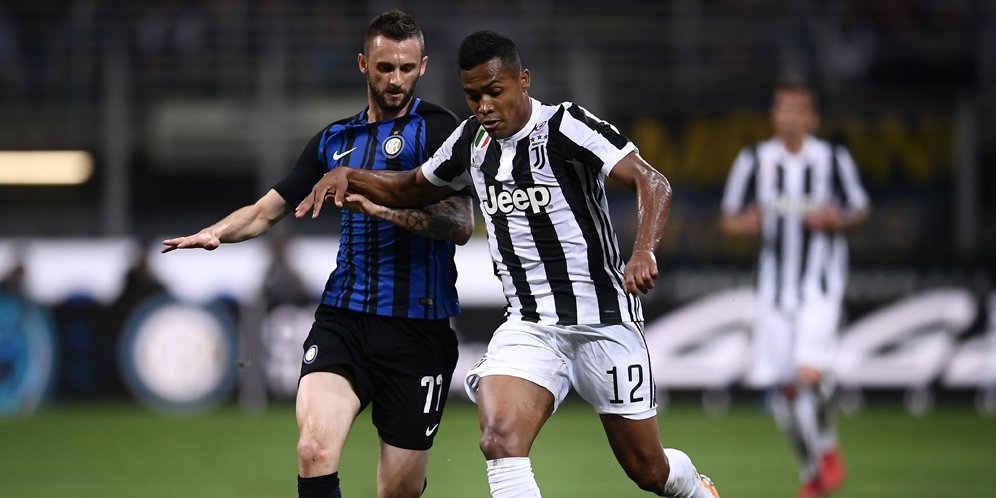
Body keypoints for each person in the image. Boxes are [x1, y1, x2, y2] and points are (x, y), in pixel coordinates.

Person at [298, 30, 720, 498]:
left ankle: (696, 489)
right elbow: (412, 187)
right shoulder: (470, 141)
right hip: (530, 325)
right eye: (472, 95)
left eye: (494, 92)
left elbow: (652, 181)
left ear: (523, 80)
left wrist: (643, 250)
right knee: (500, 440)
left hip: (603, 321)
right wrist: (349, 174)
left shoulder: (566, 126)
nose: (484, 106)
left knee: (648, 470)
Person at [162, 10, 474, 498]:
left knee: (399, 491)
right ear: (363, 64)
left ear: (423, 66)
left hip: (418, 328)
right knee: (313, 450)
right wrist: (215, 232)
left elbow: (459, 224)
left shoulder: (438, 130)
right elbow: (265, 211)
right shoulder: (334, 140)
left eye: (406, 68)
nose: (396, 80)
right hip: (344, 320)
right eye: (385, 67)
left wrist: (380, 207)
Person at [720, 83, 870, 498]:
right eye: (783, 109)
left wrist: (838, 221)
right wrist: (745, 225)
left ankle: (826, 446)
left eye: (798, 110)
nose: (789, 117)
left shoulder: (833, 159)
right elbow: (728, 218)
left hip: (820, 286)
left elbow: (859, 208)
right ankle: (812, 471)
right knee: (785, 392)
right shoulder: (754, 160)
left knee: (809, 376)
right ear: (773, 116)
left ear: (812, 118)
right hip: (773, 292)